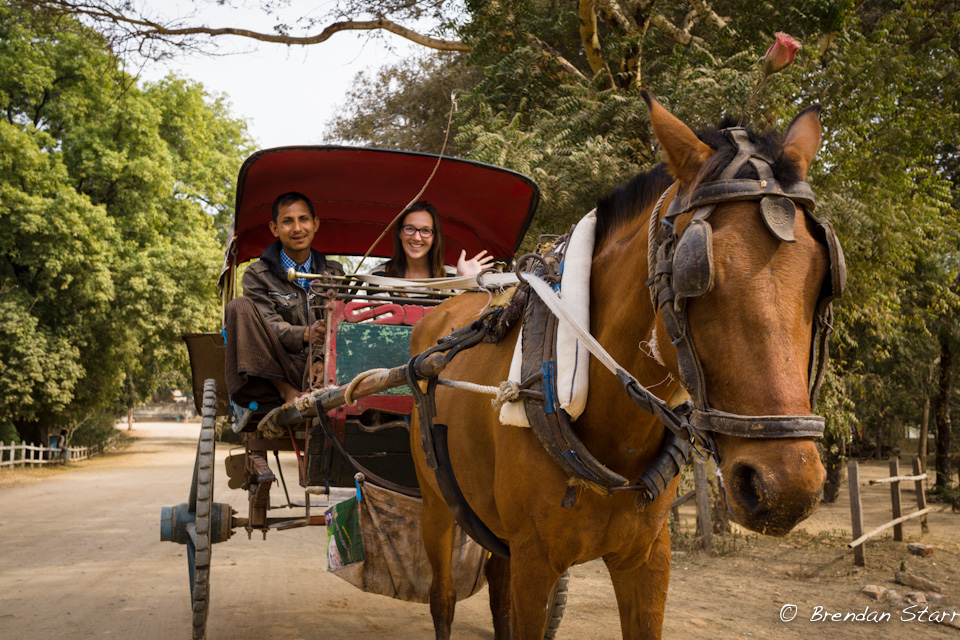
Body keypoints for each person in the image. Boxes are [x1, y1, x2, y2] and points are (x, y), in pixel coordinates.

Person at [224, 192, 344, 407]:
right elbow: (266, 324)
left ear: (315, 224)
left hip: (324, 368)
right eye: (287, 221)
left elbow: (343, 326)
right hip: (276, 369)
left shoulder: (334, 272)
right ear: (274, 228)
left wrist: (322, 361)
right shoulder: (257, 274)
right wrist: (305, 334)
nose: (297, 228)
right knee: (239, 306)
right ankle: (287, 392)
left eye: (303, 219)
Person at [371, 202, 493, 279]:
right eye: (409, 229)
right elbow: (384, 319)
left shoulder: (452, 274)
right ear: (400, 233)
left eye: (425, 231)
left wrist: (463, 281)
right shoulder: (379, 275)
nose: (417, 238)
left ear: (434, 238)